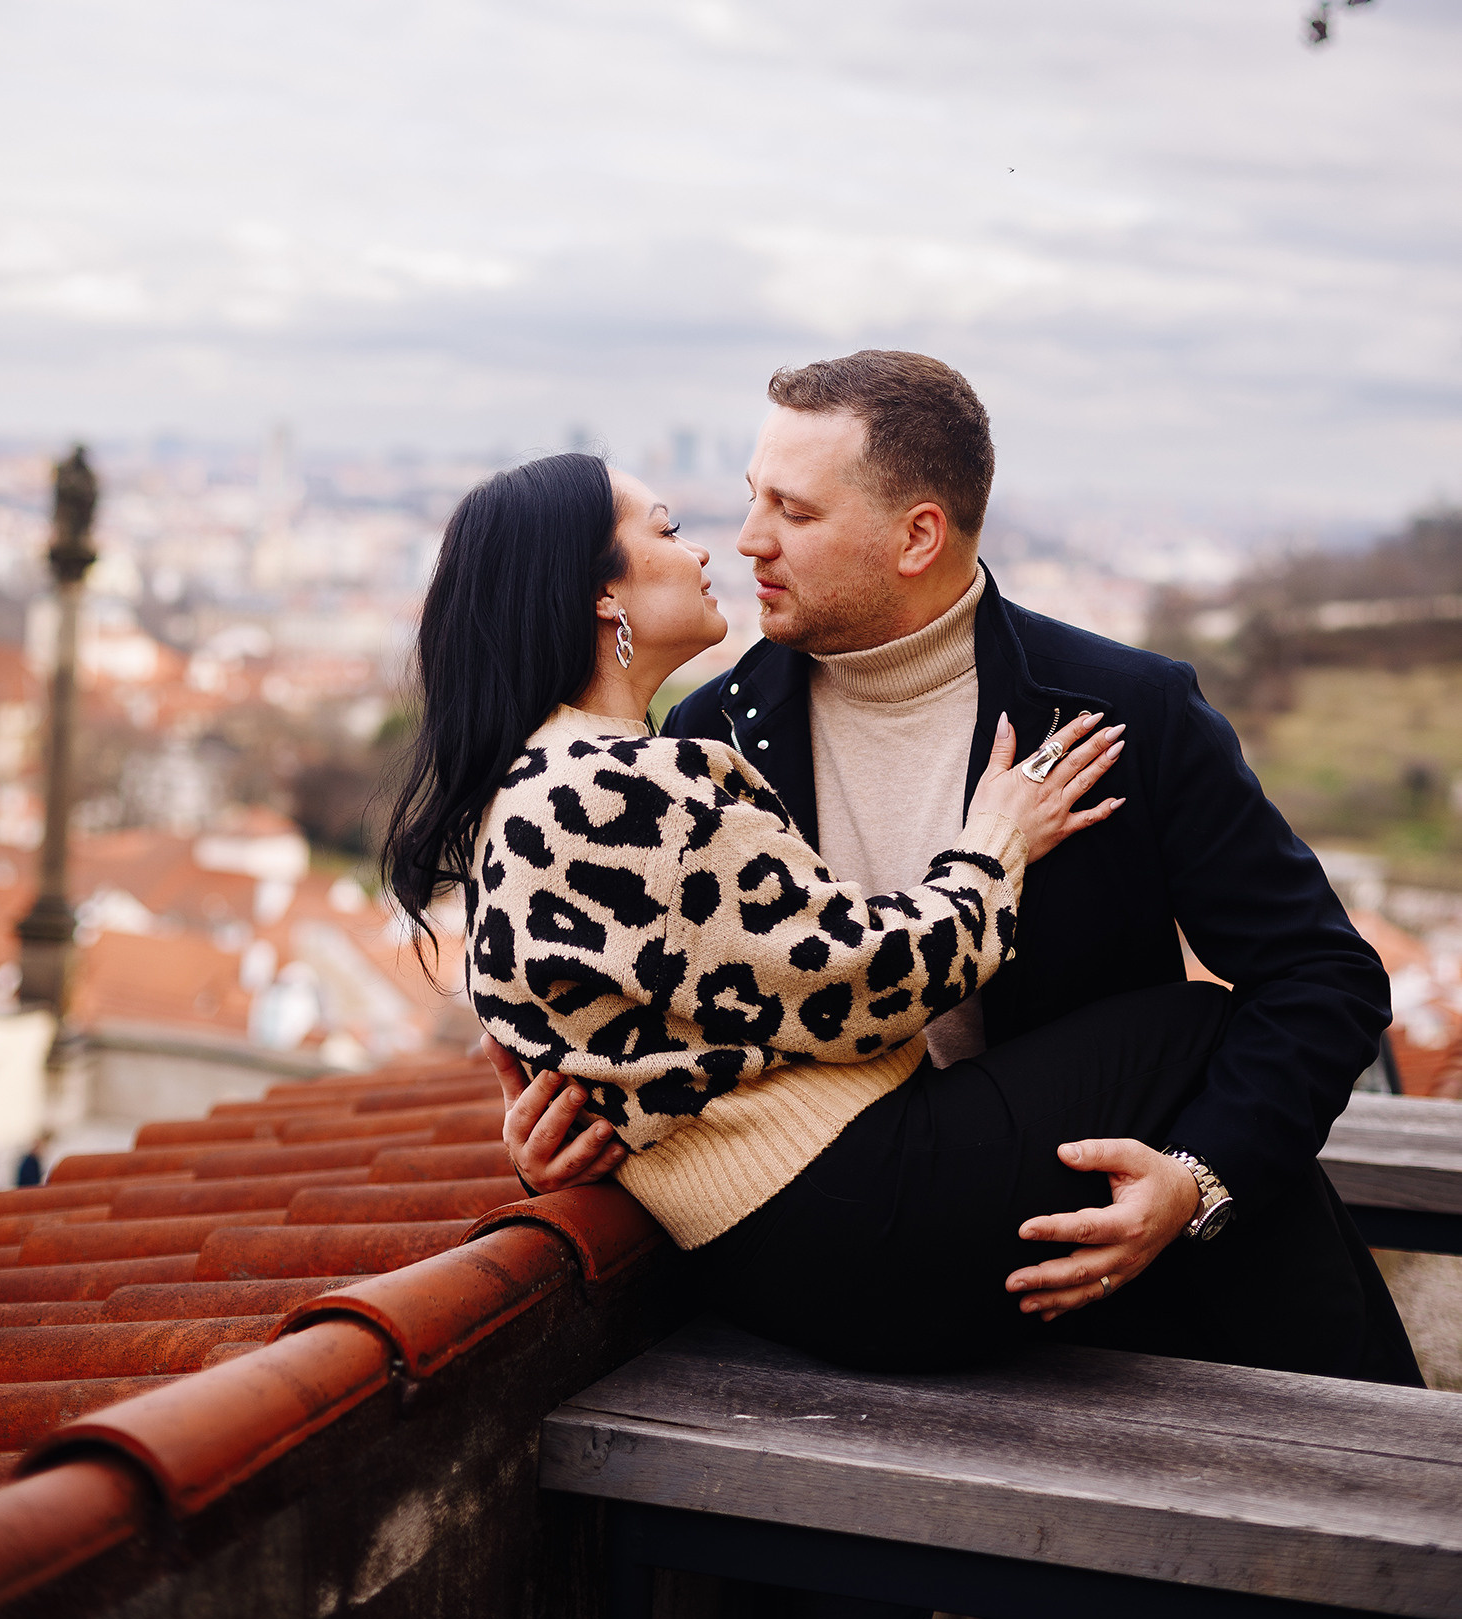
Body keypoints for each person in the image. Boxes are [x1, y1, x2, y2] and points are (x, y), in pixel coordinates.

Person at [492, 353, 1415, 1389]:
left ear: (917, 535)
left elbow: (1323, 979)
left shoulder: (1122, 711)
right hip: (875, 1298)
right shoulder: (709, 739)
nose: (748, 539)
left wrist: (1196, 1182)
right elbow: (674, 1056)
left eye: (792, 511)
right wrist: (566, 1141)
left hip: (1125, 1301)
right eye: (754, 498)